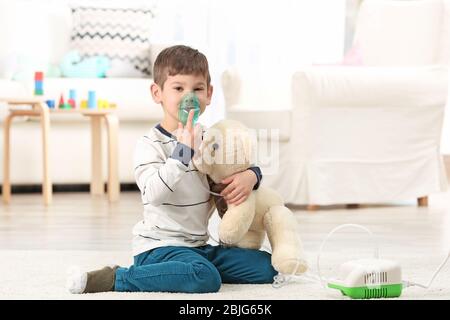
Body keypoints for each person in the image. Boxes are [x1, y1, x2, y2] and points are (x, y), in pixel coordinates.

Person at [67, 45, 277, 294]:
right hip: (158, 248)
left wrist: (251, 175)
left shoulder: (210, 139)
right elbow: (153, 193)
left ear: (209, 94)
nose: (189, 97)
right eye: (178, 88)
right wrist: (182, 153)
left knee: (267, 267)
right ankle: (118, 277)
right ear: (158, 93)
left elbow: (238, 161)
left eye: (197, 89)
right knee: (205, 278)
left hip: (198, 246)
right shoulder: (149, 144)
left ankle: (186, 270)